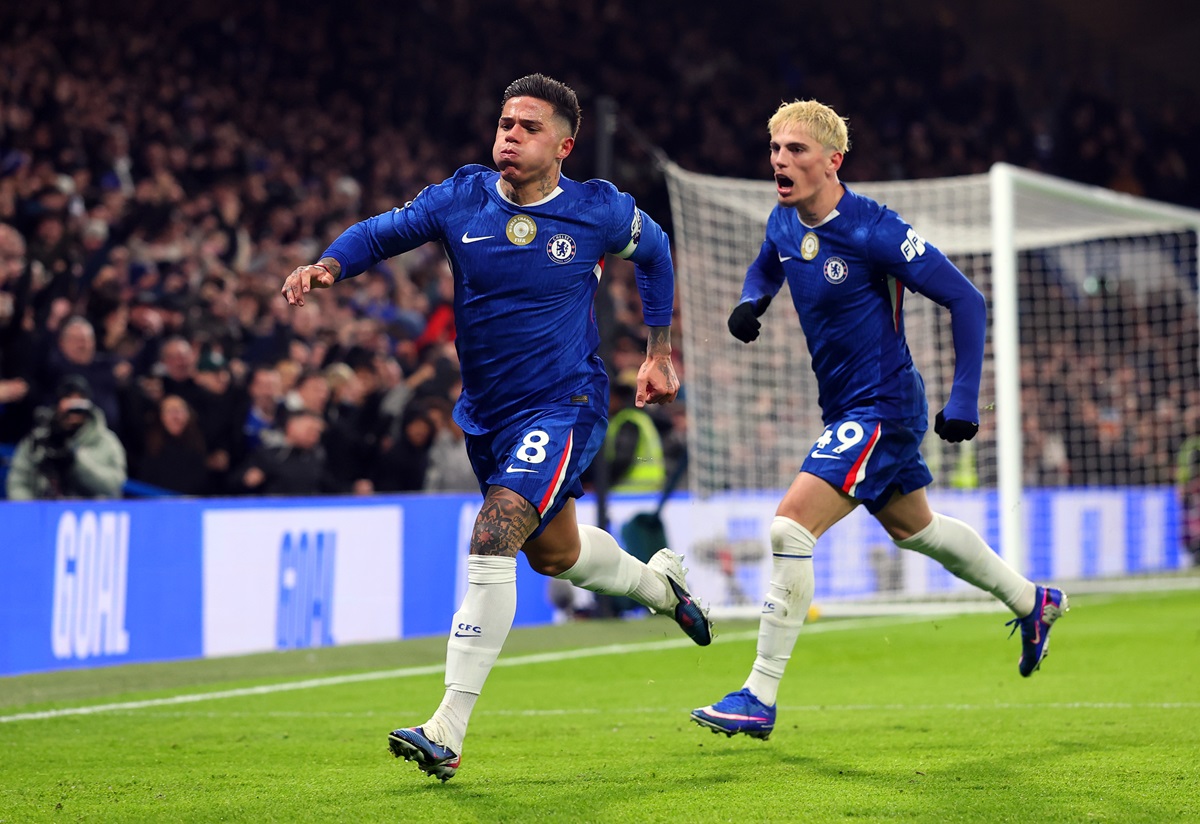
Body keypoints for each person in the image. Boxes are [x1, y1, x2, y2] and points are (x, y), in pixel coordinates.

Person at [281, 73, 711, 781]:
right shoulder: (462, 198)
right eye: (505, 123)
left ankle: (446, 727)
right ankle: (663, 588)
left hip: (565, 402)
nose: (510, 135)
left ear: (563, 145)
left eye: (528, 127)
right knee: (555, 555)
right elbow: (381, 233)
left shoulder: (598, 210)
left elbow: (656, 252)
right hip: (488, 417)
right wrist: (330, 264)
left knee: (494, 530)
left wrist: (661, 352)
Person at [690, 100, 1069, 741]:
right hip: (844, 405)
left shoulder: (874, 229)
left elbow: (966, 299)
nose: (781, 160)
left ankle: (758, 694)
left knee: (789, 526)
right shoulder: (784, 221)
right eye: (776, 148)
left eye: (797, 150)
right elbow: (767, 261)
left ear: (833, 161)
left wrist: (965, 399)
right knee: (915, 529)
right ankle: (1035, 602)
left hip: (883, 405)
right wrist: (752, 301)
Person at [6, 374, 127, 500]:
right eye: (68, 399)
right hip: (43, 512)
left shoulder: (106, 441)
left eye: (80, 400)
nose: (73, 407)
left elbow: (113, 485)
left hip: (88, 514)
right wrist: (30, 511)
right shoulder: (39, 439)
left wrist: (76, 461)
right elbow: (18, 481)